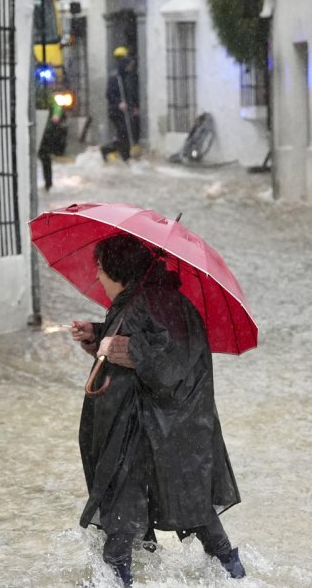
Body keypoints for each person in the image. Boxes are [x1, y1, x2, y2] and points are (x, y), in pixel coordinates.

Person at [70, 234, 245, 586]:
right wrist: (99, 333)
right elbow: (147, 339)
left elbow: (167, 359)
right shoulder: (148, 299)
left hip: (157, 429)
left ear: (114, 270)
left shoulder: (147, 302)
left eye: (100, 269)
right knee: (191, 510)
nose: (99, 277)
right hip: (167, 429)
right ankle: (235, 575)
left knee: (124, 520)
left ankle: (232, 574)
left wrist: (123, 348)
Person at [101, 46, 140, 164]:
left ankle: (116, 152)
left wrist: (134, 107)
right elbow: (109, 94)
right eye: (128, 65)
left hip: (125, 111)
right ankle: (124, 157)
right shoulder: (115, 77)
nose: (130, 68)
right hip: (115, 111)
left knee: (126, 134)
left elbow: (130, 94)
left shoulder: (127, 77)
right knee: (123, 133)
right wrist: (119, 103)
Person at [38, 91, 68, 192]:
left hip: (45, 131)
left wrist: (56, 115)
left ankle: (48, 184)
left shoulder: (45, 95)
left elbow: (57, 107)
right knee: (44, 157)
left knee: (45, 157)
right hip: (35, 129)